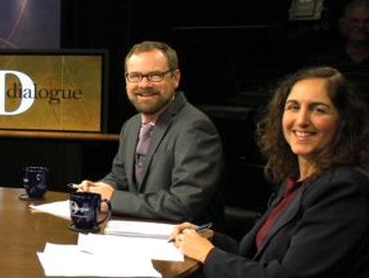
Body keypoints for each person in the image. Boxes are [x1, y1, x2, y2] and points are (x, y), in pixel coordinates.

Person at [171, 67, 369, 277]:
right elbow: (258, 255)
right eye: (293, 107)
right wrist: (209, 239)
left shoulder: (343, 190)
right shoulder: (295, 181)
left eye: (318, 109)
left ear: (343, 122)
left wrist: (208, 254)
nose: (301, 120)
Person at [78, 41, 224, 224]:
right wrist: (98, 189)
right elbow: (120, 177)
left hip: (182, 244)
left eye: (155, 76)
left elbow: (182, 205)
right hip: (136, 232)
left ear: (175, 78)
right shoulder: (131, 126)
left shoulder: (195, 128)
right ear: (126, 80)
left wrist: (112, 198)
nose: (144, 84)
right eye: (135, 76)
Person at [311, 0, 369, 99]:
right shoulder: (324, 62)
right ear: (343, 24)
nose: (361, 26)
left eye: (367, 21)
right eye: (355, 21)